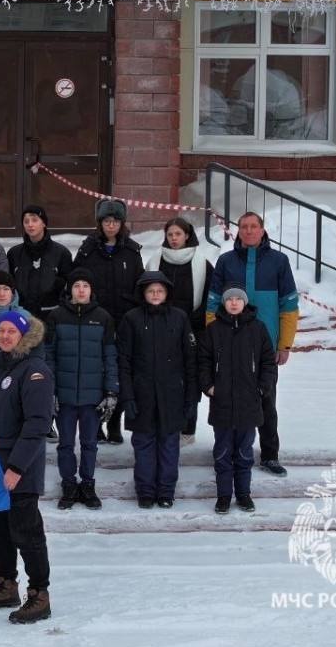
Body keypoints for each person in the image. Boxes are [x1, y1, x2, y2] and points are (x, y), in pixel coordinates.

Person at [0, 311, 55, 625]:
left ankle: (39, 595)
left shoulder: (35, 371)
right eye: (1, 330)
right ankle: (6, 584)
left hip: (19, 467)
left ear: (23, 335)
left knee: (26, 532)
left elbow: (38, 423)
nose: (5, 335)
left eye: (12, 331)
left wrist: (17, 467)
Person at [206, 212, 299, 477]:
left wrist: (285, 344)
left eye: (253, 226)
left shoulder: (279, 262)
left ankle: (270, 454)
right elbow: (213, 303)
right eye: (244, 227)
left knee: (266, 400)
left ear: (262, 230)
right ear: (238, 231)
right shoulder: (225, 262)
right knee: (226, 399)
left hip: (265, 347)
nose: (248, 231)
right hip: (229, 346)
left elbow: (289, 305)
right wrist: (213, 340)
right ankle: (228, 450)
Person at [118, 271, 198, 509]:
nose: (155, 295)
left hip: (172, 395)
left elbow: (190, 360)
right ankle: (144, 491)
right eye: (151, 291)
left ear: (167, 293)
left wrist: (191, 396)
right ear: (143, 293)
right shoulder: (131, 319)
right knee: (143, 445)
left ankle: (165, 491)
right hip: (141, 395)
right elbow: (124, 361)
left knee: (169, 446)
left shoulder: (179, 318)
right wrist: (127, 396)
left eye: (160, 291)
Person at [44, 269, 118, 510]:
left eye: (86, 285)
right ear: (70, 289)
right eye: (77, 285)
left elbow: (110, 357)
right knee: (65, 444)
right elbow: (49, 356)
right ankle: (68, 484)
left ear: (91, 290)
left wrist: (110, 391)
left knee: (89, 444)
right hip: (64, 397)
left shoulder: (103, 317)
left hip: (92, 396)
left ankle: (87, 485)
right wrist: (50, 390)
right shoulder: (56, 316)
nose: (81, 289)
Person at [199, 285, 276, 514]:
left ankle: (243, 495)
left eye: (238, 299)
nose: (233, 303)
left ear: (244, 303)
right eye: (229, 299)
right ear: (224, 303)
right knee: (222, 453)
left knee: (244, 453)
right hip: (221, 403)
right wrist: (209, 387)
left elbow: (268, 363)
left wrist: (261, 388)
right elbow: (203, 361)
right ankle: (223, 496)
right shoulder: (213, 330)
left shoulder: (258, 329)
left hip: (248, 404)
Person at [73, 198, 143, 444]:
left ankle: (115, 422)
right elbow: (77, 280)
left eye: (115, 221)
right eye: (106, 221)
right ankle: (97, 423)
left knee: (121, 372)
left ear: (122, 223)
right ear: (100, 223)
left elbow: (139, 285)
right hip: (95, 321)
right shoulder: (87, 250)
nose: (110, 225)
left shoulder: (132, 252)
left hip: (125, 321)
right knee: (96, 372)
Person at [145, 217, 214, 446]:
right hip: (158, 330)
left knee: (189, 380)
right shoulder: (155, 261)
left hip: (192, 331)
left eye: (178, 234)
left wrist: (195, 322)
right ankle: (162, 423)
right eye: (170, 234)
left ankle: (187, 428)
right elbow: (145, 293)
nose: (174, 239)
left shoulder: (202, 263)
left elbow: (208, 298)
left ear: (187, 236)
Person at [7, 204, 73, 322]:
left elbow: (68, 289)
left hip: (52, 317)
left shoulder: (61, 253)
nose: (30, 224)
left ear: (44, 223)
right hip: (21, 317)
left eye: (35, 220)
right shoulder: (14, 254)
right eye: (26, 221)